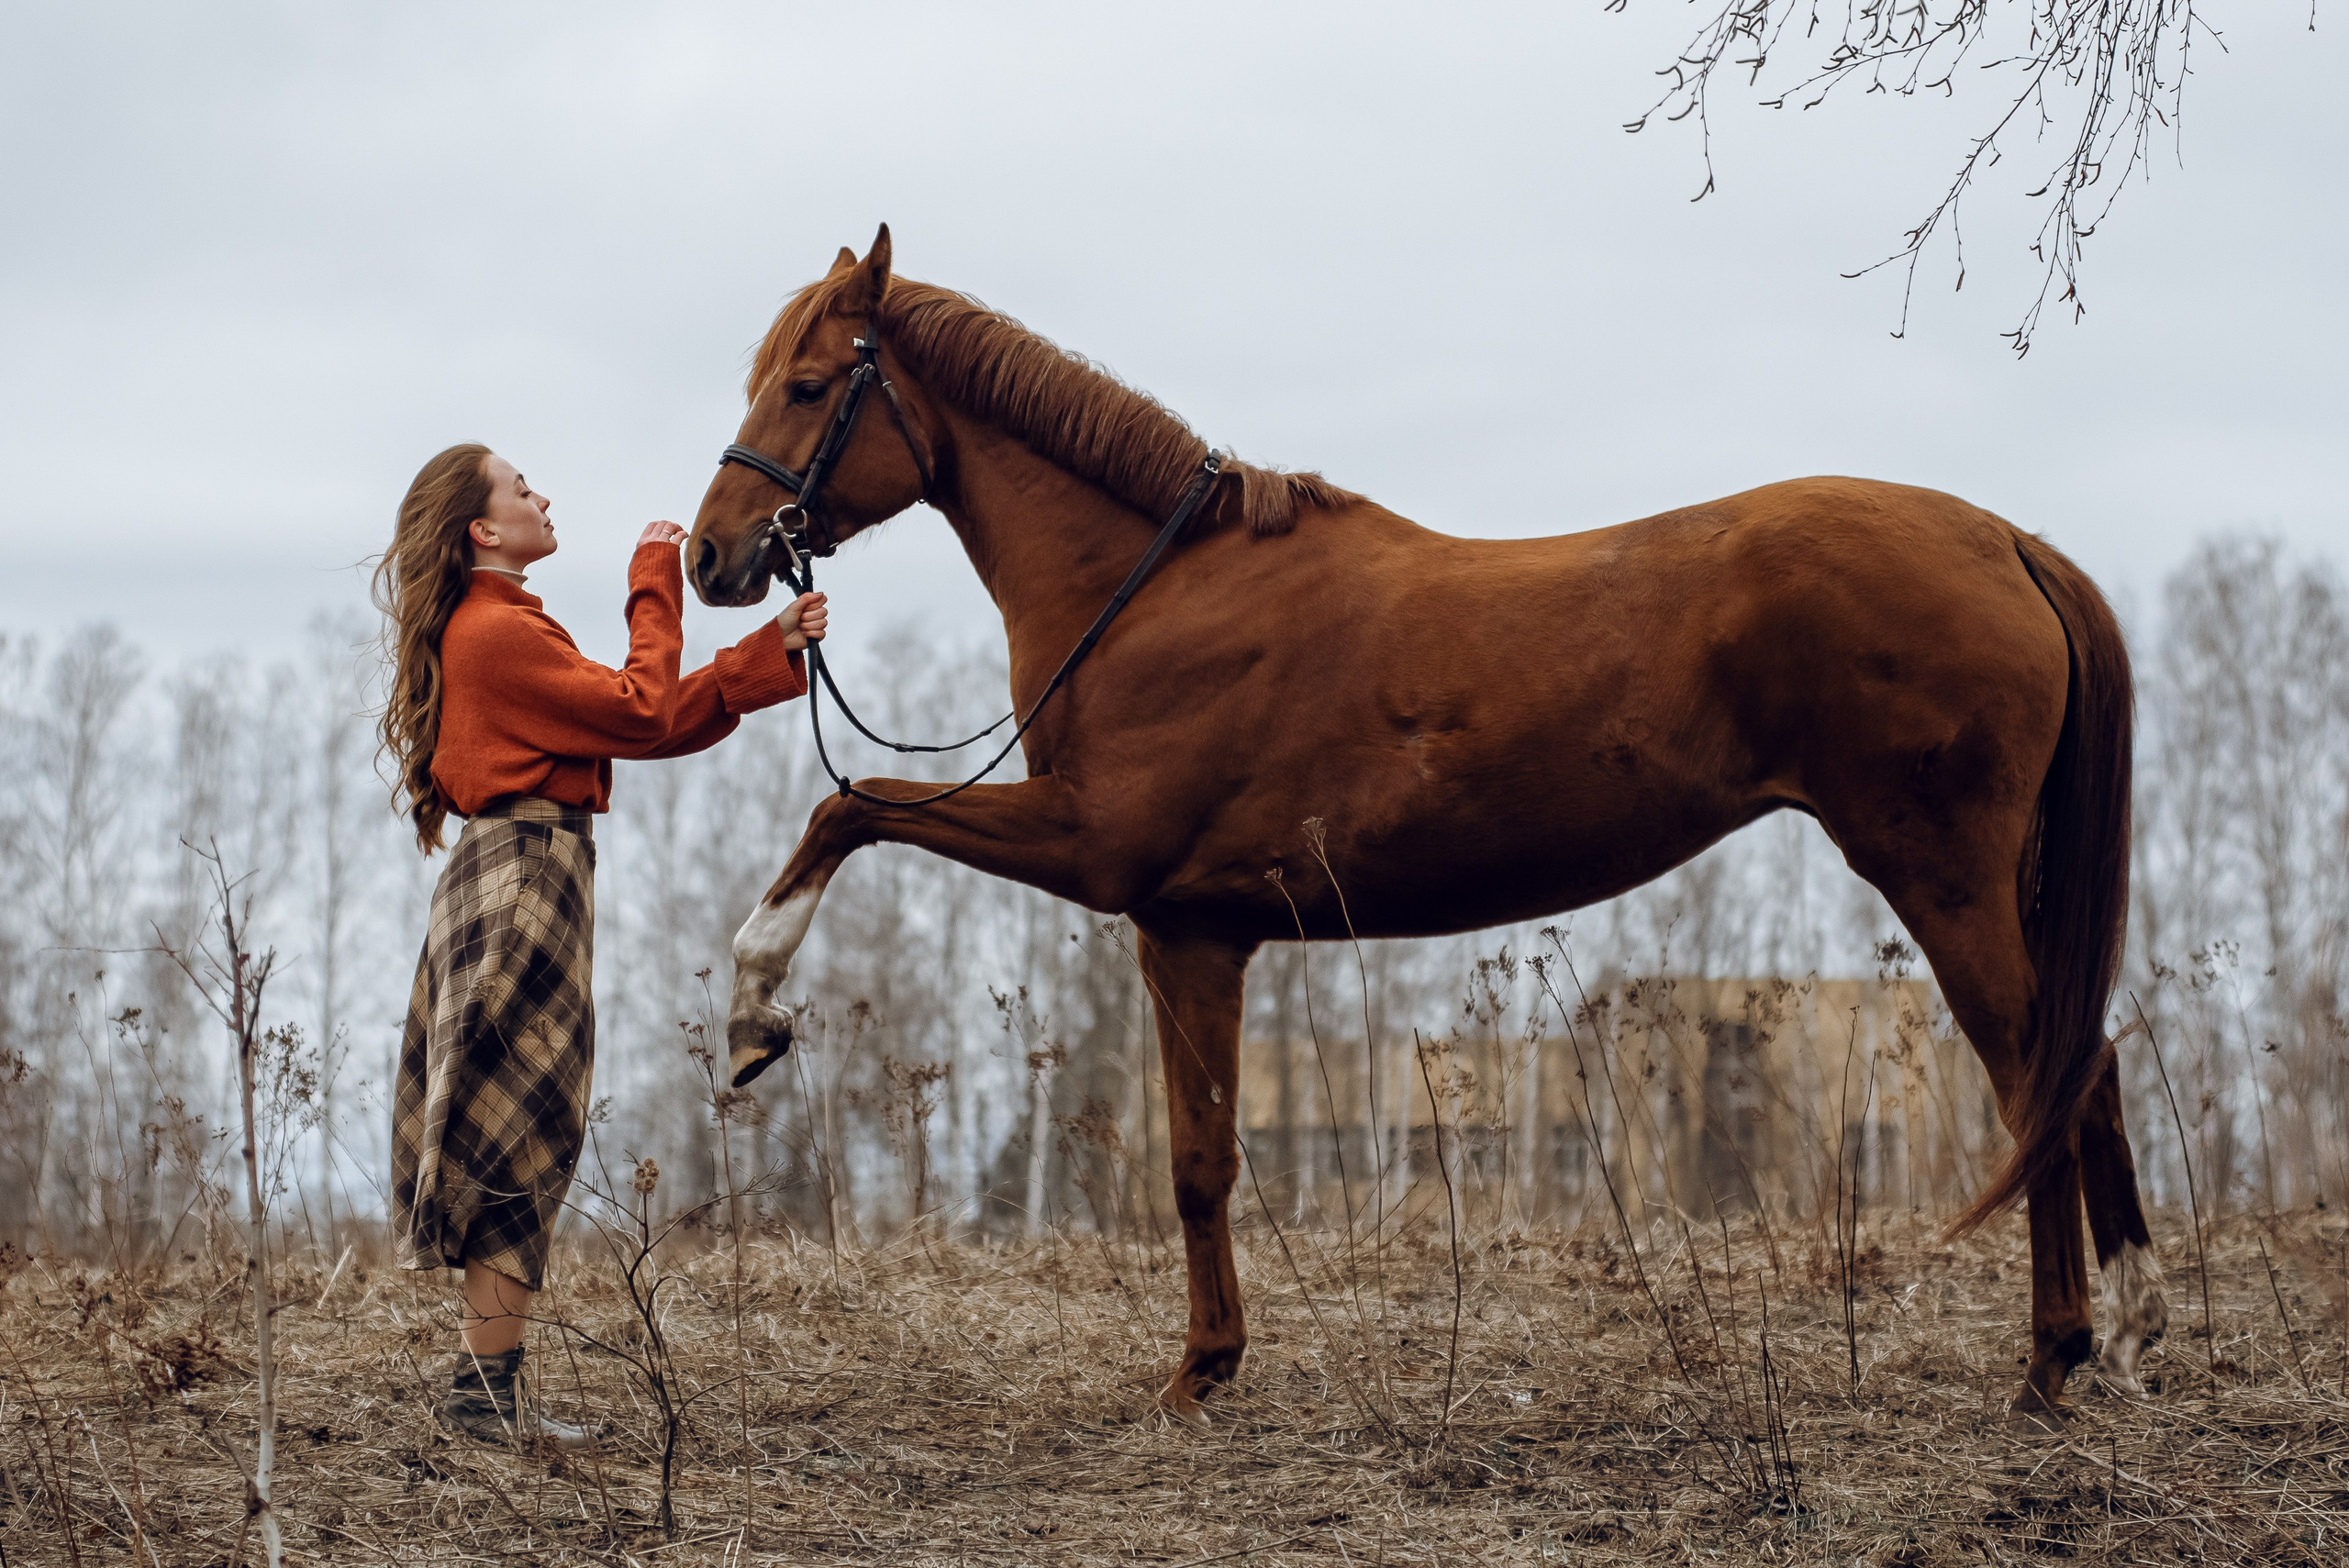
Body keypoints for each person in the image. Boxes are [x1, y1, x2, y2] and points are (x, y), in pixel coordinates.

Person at [373, 443, 824, 1446]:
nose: (542, 496)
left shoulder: (502, 627)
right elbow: (642, 704)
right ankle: (481, 1400)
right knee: (517, 1124)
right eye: (520, 488)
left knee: (522, 1118)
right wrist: (654, 580)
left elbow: (640, 727)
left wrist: (768, 648)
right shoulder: (492, 631)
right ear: (483, 530)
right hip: (528, 874)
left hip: (532, 871)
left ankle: (483, 1393)